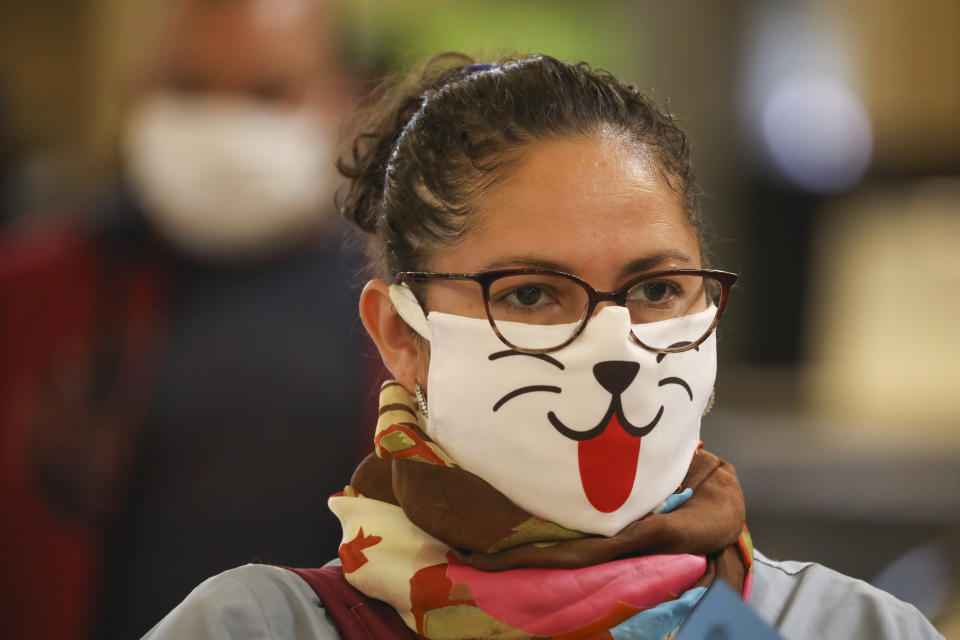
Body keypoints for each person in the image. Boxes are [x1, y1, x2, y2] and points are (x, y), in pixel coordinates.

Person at [141, 53, 944, 639]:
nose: (614, 344)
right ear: (401, 335)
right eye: (531, 294)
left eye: (657, 290)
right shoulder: (258, 629)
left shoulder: (849, 629)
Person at [0, 1, 379, 638]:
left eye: (266, 92)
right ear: (137, 93)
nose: (224, 121)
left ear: (341, 103)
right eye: (190, 87)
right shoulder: (29, 295)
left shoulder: (399, 305)